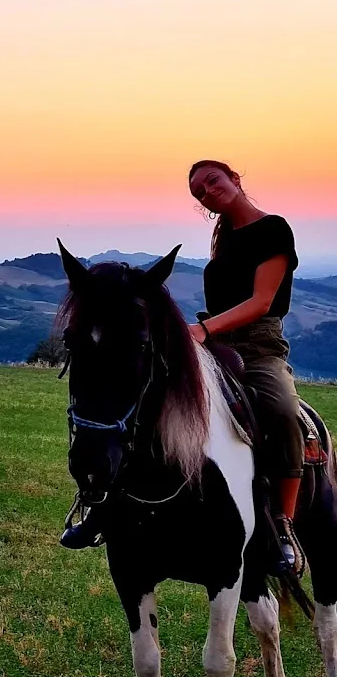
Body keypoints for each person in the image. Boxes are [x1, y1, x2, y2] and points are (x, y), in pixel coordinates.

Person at [61, 159, 304, 575]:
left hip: (257, 344)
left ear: (234, 178)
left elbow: (262, 301)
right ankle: (101, 505)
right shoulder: (222, 238)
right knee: (143, 397)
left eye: (213, 181)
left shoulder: (273, 229)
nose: (208, 191)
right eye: (200, 192)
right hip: (211, 338)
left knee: (282, 409)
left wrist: (204, 329)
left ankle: (282, 524)